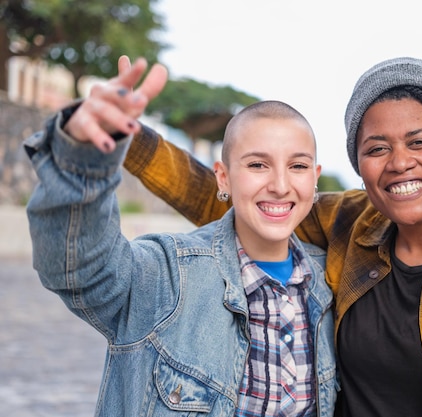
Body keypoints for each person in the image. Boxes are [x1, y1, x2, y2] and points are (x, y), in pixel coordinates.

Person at [73, 57, 422, 416]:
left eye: (419, 142)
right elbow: (233, 198)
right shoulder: (346, 224)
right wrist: (125, 135)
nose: (400, 163)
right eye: (376, 147)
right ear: (358, 163)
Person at [25, 58, 337, 417]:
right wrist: (82, 161)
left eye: (297, 166)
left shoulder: (331, 282)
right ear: (223, 178)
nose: (280, 186)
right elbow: (81, 269)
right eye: (257, 165)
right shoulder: (167, 274)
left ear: (315, 178)